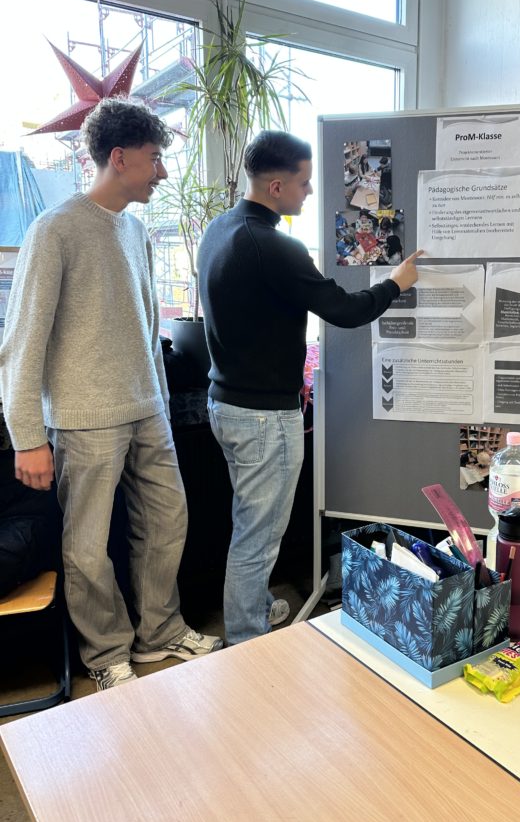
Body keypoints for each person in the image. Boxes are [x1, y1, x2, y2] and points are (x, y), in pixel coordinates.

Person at [0, 96, 223, 690]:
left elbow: (147, 329)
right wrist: (27, 437)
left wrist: (161, 402)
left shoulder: (136, 231)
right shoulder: (54, 230)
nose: (163, 172)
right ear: (119, 158)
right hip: (82, 417)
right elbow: (21, 342)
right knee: (87, 546)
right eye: (155, 158)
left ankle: (160, 632)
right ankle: (105, 654)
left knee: (168, 522)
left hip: (147, 409)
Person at [197, 130, 422, 645]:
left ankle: (254, 608)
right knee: (257, 536)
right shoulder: (274, 246)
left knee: (250, 522)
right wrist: (396, 282)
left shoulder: (220, 229)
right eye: (304, 182)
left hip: (226, 403)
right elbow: (345, 310)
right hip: (262, 418)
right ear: (276, 186)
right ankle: (246, 642)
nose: (311, 192)